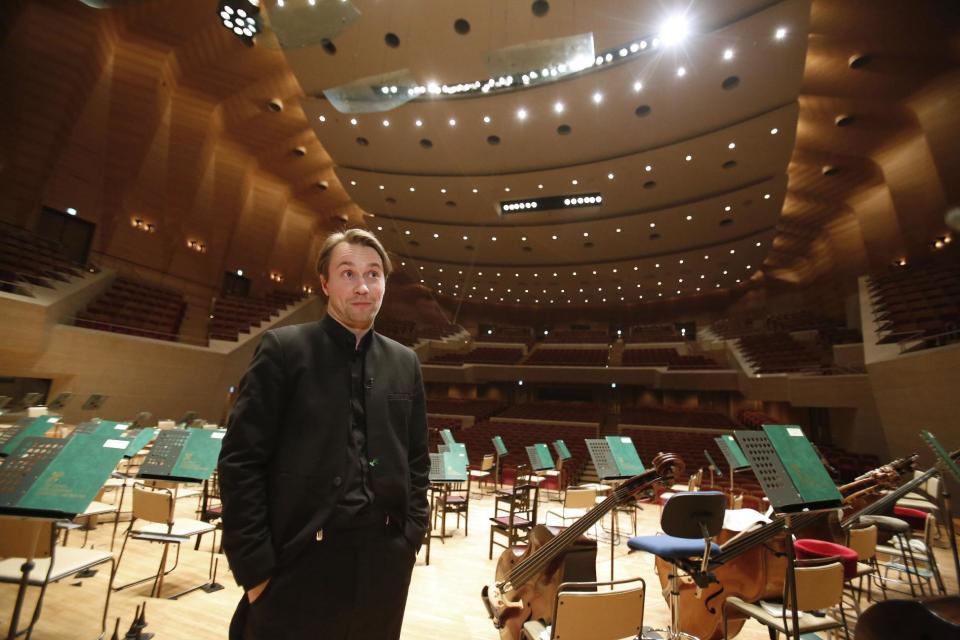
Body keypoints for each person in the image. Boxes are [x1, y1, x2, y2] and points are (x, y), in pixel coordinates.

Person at [218, 228, 429, 639]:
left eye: (373, 274)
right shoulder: (283, 349)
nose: (363, 286)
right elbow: (240, 461)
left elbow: (417, 459)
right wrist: (255, 570)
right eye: (348, 273)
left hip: (383, 562)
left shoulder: (405, 362)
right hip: (296, 560)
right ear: (325, 282)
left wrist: (409, 539)